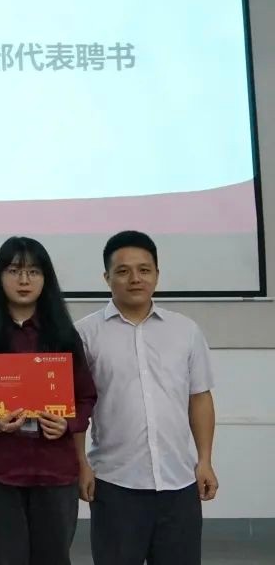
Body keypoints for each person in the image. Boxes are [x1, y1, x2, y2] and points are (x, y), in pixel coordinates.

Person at [0, 236, 97, 565]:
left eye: (34, 271)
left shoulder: (65, 336)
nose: (24, 280)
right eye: (14, 270)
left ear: (46, 279)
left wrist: (68, 423)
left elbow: (86, 396)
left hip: (56, 472)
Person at [75, 230, 217, 565]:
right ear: (107, 278)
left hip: (179, 482)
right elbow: (75, 407)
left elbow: (199, 397)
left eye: (144, 270)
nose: (135, 279)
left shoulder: (185, 331)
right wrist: (80, 464)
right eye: (123, 271)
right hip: (114, 483)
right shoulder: (84, 334)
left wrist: (205, 460)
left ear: (157, 274)